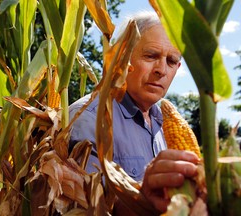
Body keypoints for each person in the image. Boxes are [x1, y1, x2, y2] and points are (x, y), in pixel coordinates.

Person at [69, 11, 200, 215]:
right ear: (122, 56)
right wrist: (141, 198)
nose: (162, 70)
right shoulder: (88, 119)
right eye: (151, 56)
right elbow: (80, 209)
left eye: (172, 61)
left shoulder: (162, 121)